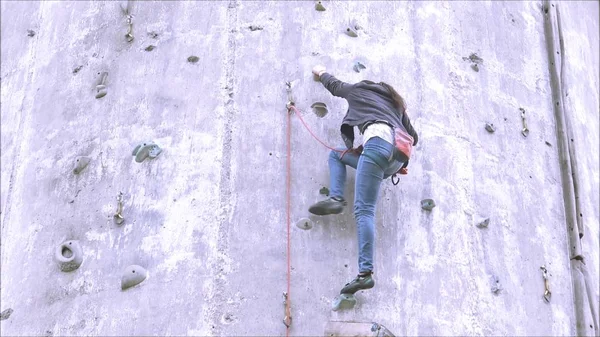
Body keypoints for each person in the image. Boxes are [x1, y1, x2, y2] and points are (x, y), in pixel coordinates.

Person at [308, 65, 418, 295]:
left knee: (364, 211)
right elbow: (413, 137)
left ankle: (365, 273)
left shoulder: (359, 91)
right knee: (337, 154)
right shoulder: (395, 104)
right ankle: (336, 198)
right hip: (395, 158)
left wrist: (320, 72)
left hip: (377, 146)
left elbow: (335, 86)